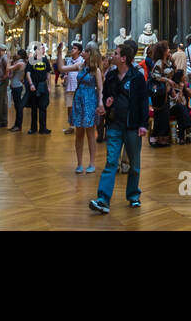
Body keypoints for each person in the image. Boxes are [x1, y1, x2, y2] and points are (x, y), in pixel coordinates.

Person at [90, 41, 148, 213]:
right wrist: (106, 105)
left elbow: (143, 102)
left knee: (135, 165)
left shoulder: (137, 78)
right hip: (114, 125)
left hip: (132, 127)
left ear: (123, 58)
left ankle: (133, 195)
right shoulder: (111, 77)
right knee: (111, 162)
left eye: (115, 53)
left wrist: (144, 125)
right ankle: (103, 199)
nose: (112, 56)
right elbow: (107, 97)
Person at [58, 41, 101, 173]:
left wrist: (100, 103)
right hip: (79, 100)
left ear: (89, 54)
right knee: (79, 133)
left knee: (90, 134)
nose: (82, 53)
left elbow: (100, 89)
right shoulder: (79, 66)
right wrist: (59, 53)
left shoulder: (96, 70)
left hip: (90, 101)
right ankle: (79, 163)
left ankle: (92, 162)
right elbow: (61, 69)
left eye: (84, 51)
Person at [147, 41, 175, 147]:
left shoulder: (166, 62)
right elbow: (155, 76)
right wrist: (167, 81)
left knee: (164, 115)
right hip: (159, 92)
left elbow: (173, 71)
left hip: (165, 92)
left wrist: (172, 61)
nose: (169, 50)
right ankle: (156, 138)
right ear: (163, 51)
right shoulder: (159, 62)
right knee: (161, 115)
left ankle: (161, 138)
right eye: (167, 48)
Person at [25, 43, 51, 134]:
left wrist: (49, 86)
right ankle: (33, 128)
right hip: (34, 85)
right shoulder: (31, 60)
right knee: (34, 108)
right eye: (41, 49)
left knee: (43, 107)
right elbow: (28, 73)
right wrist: (31, 84)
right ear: (36, 50)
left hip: (43, 85)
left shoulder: (45, 60)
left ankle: (43, 128)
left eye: (43, 49)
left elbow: (48, 73)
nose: (43, 50)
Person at [61, 42, 84, 134]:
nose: (72, 50)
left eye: (74, 48)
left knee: (79, 107)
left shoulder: (82, 61)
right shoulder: (69, 60)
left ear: (79, 51)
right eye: (72, 48)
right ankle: (71, 126)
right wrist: (66, 76)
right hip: (70, 87)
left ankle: (80, 125)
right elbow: (66, 71)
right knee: (69, 107)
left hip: (79, 88)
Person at [168, 69, 191, 144]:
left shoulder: (185, 85)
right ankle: (190, 126)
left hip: (182, 109)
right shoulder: (173, 87)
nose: (185, 76)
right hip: (173, 108)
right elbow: (178, 101)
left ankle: (181, 138)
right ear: (180, 77)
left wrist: (186, 89)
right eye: (183, 75)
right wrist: (181, 89)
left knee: (181, 113)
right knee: (181, 107)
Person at [7, 48, 28, 131]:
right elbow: (11, 74)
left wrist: (8, 58)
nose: (15, 55)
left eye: (17, 54)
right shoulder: (18, 62)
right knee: (17, 106)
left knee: (19, 107)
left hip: (17, 86)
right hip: (15, 85)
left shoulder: (21, 63)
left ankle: (18, 126)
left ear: (20, 55)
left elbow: (9, 68)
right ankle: (16, 125)